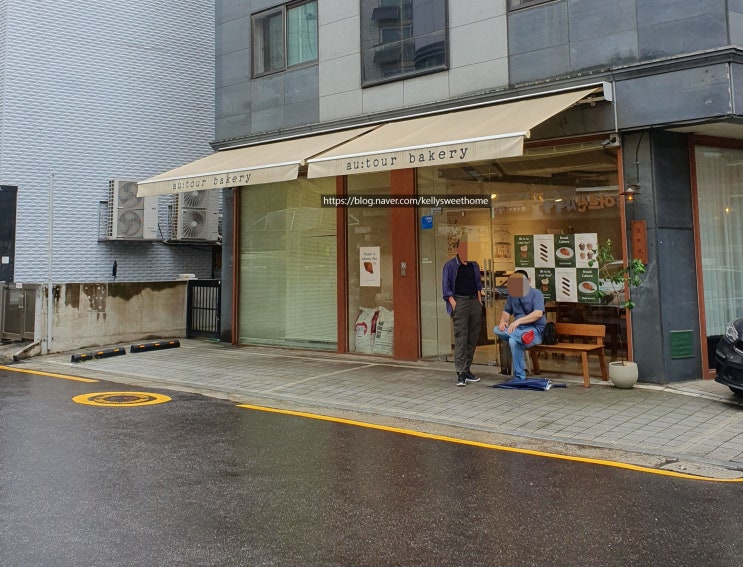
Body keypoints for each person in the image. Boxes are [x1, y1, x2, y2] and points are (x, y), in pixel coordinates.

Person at [494, 270, 546, 381]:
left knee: (513, 341)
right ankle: (522, 337)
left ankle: (519, 376)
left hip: (535, 331)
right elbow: (506, 312)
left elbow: (538, 313)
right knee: (497, 329)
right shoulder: (513, 295)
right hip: (519, 331)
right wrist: (502, 321)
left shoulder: (536, 294)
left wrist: (518, 321)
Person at [442, 252, 483, 386]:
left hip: (474, 301)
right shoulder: (450, 265)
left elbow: (478, 285)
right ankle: (460, 372)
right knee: (461, 336)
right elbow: (446, 287)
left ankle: (467, 369)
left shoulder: (474, 265)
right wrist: (453, 303)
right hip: (460, 301)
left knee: (473, 337)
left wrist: (479, 301)